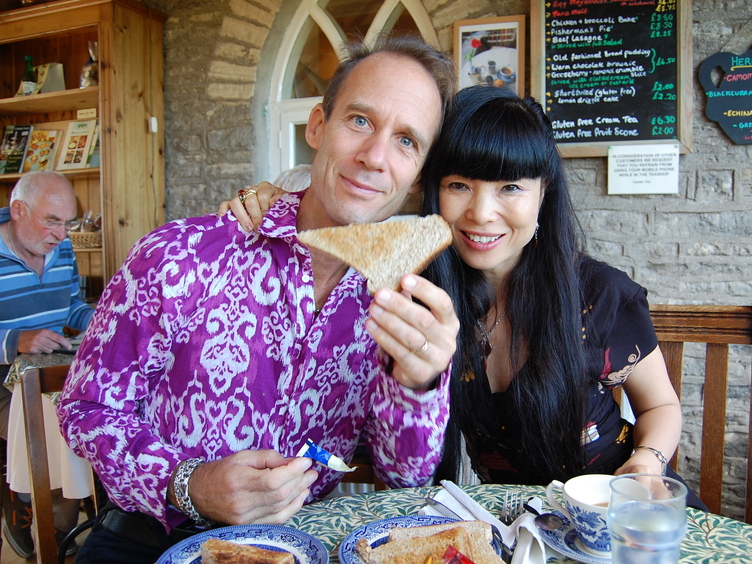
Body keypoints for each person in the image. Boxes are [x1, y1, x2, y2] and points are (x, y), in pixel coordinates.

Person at [56, 33, 459, 563]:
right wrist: (190, 485)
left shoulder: (398, 302)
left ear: (418, 176)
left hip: (297, 547)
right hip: (151, 536)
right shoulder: (179, 255)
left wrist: (419, 383)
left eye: (407, 140)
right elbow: (85, 409)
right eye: (359, 120)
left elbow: (403, 476)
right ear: (318, 126)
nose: (375, 156)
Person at [232, 86, 706, 507]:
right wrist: (270, 196)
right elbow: (340, 190)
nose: (481, 213)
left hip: (620, 511)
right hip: (511, 526)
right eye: (460, 185)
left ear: (543, 194)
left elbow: (660, 407)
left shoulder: (597, 295)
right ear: (434, 191)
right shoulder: (421, 286)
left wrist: (646, 462)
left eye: (511, 188)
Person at [0, 170, 95, 557]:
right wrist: (14, 340)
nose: (62, 234)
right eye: (52, 221)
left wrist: (108, 322)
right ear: (18, 210)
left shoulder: (62, 247)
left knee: (99, 415)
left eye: (69, 222)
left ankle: (78, 517)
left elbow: (72, 305)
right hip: (4, 378)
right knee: (60, 430)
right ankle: (38, 514)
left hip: (54, 371)